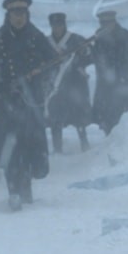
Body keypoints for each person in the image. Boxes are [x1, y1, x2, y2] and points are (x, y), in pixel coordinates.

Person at [0, 0, 54, 211]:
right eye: (14, 14)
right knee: (9, 148)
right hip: (6, 104)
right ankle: (13, 191)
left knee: (30, 148)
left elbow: (52, 62)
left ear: (26, 15)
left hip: (31, 103)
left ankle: (26, 189)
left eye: (22, 14)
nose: (18, 18)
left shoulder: (36, 37)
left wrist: (39, 77)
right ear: (9, 15)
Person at [43, 12, 93, 153]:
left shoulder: (77, 39)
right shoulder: (46, 43)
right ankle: (57, 149)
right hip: (55, 85)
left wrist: (83, 53)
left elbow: (90, 57)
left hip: (75, 84)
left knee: (79, 116)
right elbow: (41, 61)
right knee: (55, 117)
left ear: (64, 25)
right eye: (55, 25)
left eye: (60, 25)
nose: (57, 28)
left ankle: (84, 144)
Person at [86, 8, 128, 135]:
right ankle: (108, 135)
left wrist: (123, 76)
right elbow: (97, 56)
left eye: (108, 23)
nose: (105, 25)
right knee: (105, 114)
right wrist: (89, 50)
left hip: (122, 82)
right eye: (103, 23)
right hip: (105, 81)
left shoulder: (125, 35)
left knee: (122, 112)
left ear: (114, 21)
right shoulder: (99, 35)